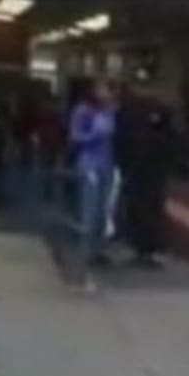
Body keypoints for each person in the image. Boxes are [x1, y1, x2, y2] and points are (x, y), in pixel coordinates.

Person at [115, 75, 178, 268]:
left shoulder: (129, 110)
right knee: (149, 206)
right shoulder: (159, 111)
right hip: (151, 166)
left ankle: (145, 248)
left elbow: (122, 139)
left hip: (143, 166)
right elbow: (171, 138)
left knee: (141, 207)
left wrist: (123, 162)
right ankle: (149, 248)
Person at [69, 79, 118, 272]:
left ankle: (100, 250)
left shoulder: (110, 111)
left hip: (107, 163)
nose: (106, 94)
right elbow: (75, 137)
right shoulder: (83, 111)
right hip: (89, 163)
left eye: (108, 90)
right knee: (89, 208)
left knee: (104, 210)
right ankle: (85, 251)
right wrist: (95, 133)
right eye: (102, 90)